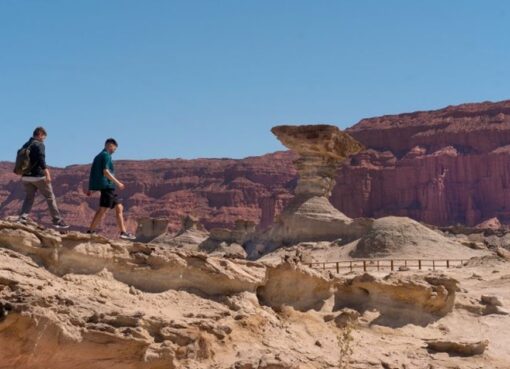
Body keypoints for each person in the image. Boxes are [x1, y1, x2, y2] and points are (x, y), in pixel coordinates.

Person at [18, 127, 69, 228]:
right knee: (50, 197)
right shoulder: (39, 144)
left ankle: (22, 218)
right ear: (40, 134)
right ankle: (57, 221)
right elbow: (41, 159)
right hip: (38, 176)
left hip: (25, 177)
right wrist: (47, 173)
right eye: (44, 137)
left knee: (29, 198)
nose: (44, 140)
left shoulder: (25, 144)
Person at [87, 138, 136, 240]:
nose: (114, 151)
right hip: (107, 186)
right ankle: (90, 231)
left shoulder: (98, 156)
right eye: (114, 149)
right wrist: (118, 183)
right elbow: (105, 172)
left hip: (106, 187)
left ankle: (123, 232)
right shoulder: (106, 155)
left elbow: (94, 174)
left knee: (119, 207)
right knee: (102, 210)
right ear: (110, 146)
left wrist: (91, 188)